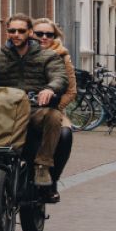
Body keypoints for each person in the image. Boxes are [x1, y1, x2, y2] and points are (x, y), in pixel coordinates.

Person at [0, 15, 71, 195]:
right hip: (4, 113)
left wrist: (50, 89)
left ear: (30, 33)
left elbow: (59, 77)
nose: (16, 34)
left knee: (53, 117)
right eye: (12, 31)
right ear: (7, 32)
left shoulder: (48, 56)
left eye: (21, 31)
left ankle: (42, 165)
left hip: (34, 110)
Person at [30, 18, 80, 199]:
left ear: (55, 37)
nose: (43, 37)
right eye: (39, 34)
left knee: (65, 135)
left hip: (53, 108)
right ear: (30, 34)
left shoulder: (62, 56)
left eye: (48, 34)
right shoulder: (19, 53)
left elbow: (71, 91)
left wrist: (55, 106)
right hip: (22, 108)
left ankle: (51, 181)